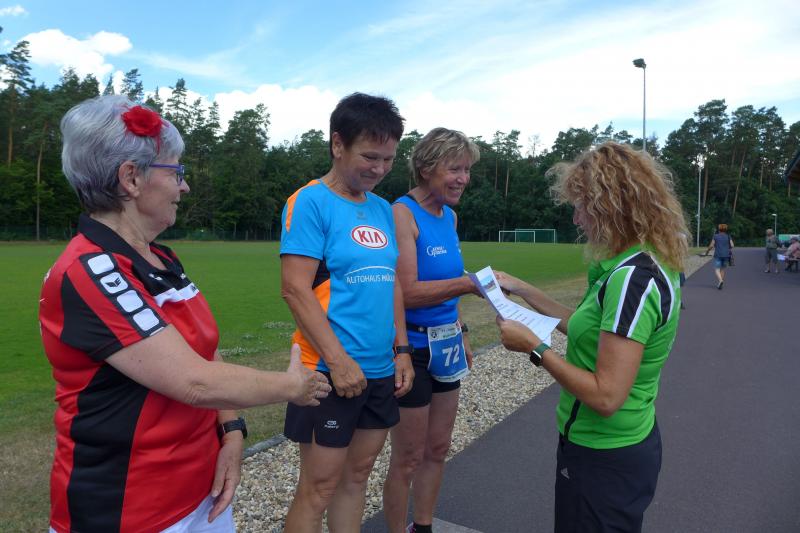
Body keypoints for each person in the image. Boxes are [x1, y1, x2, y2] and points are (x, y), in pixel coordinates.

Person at [40, 95, 331, 533]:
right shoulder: (89, 270)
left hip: (200, 494)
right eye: (176, 172)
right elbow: (193, 382)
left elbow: (204, 353)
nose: (185, 186)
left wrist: (231, 429)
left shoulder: (161, 257)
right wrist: (293, 385)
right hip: (129, 510)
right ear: (131, 178)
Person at [494, 142, 687, 533]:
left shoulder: (632, 280)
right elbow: (586, 328)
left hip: (605, 455)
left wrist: (534, 348)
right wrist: (523, 289)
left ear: (609, 207)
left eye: (582, 206)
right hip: (603, 449)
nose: (577, 219)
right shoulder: (635, 263)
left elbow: (606, 397)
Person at [280, 92, 414, 532]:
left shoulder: (381, 209)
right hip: (328, 371)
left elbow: (391, 282)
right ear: (338, 144)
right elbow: (295, 289)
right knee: (317, 489)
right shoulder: (310, 202)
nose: (379, 169)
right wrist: (338, 362)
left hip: (378, 370)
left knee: (356, 480)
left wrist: (401, 350)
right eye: (370, 156)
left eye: (389, 159)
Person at [382, 128, 481, 533]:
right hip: (412, 349)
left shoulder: (450, 215)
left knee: (438, 448)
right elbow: (405, 292)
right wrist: (469, 284)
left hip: (447, 345)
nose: (463, 178)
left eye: (467, 169)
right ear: (425, 169)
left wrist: (463, 330)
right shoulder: (402, 214)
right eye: (454, 168)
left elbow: (448, 282)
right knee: (407, 457)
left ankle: (421, 527)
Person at [705, 224, 734, 289]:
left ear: (719, 229)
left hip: (718, 254)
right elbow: (732, 245)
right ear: (725, 229)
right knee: (722, 269)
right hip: (726, 255)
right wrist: (727, 248)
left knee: (717, 269)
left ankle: (720, 281)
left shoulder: (715, 236)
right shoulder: (728, 236)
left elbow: (711, 246)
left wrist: (707, 251)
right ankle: (720, 283)